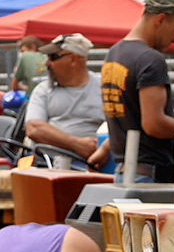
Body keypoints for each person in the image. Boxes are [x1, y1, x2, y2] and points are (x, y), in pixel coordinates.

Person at [102, 0, 174, 183]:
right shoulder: (150, 59)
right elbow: (153, 125)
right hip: (148, 174)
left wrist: (171, 115)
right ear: (160, 20)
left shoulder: (115, 53)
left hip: (126, 170)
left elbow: (132, 114)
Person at [22, 34, 109, 168]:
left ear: (73, 59)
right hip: (46, 163)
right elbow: (33, 129)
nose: (47, 63)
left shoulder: (105, 88)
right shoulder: (43, 90)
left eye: (53, 57)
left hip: (93, 164)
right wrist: (76, 144)